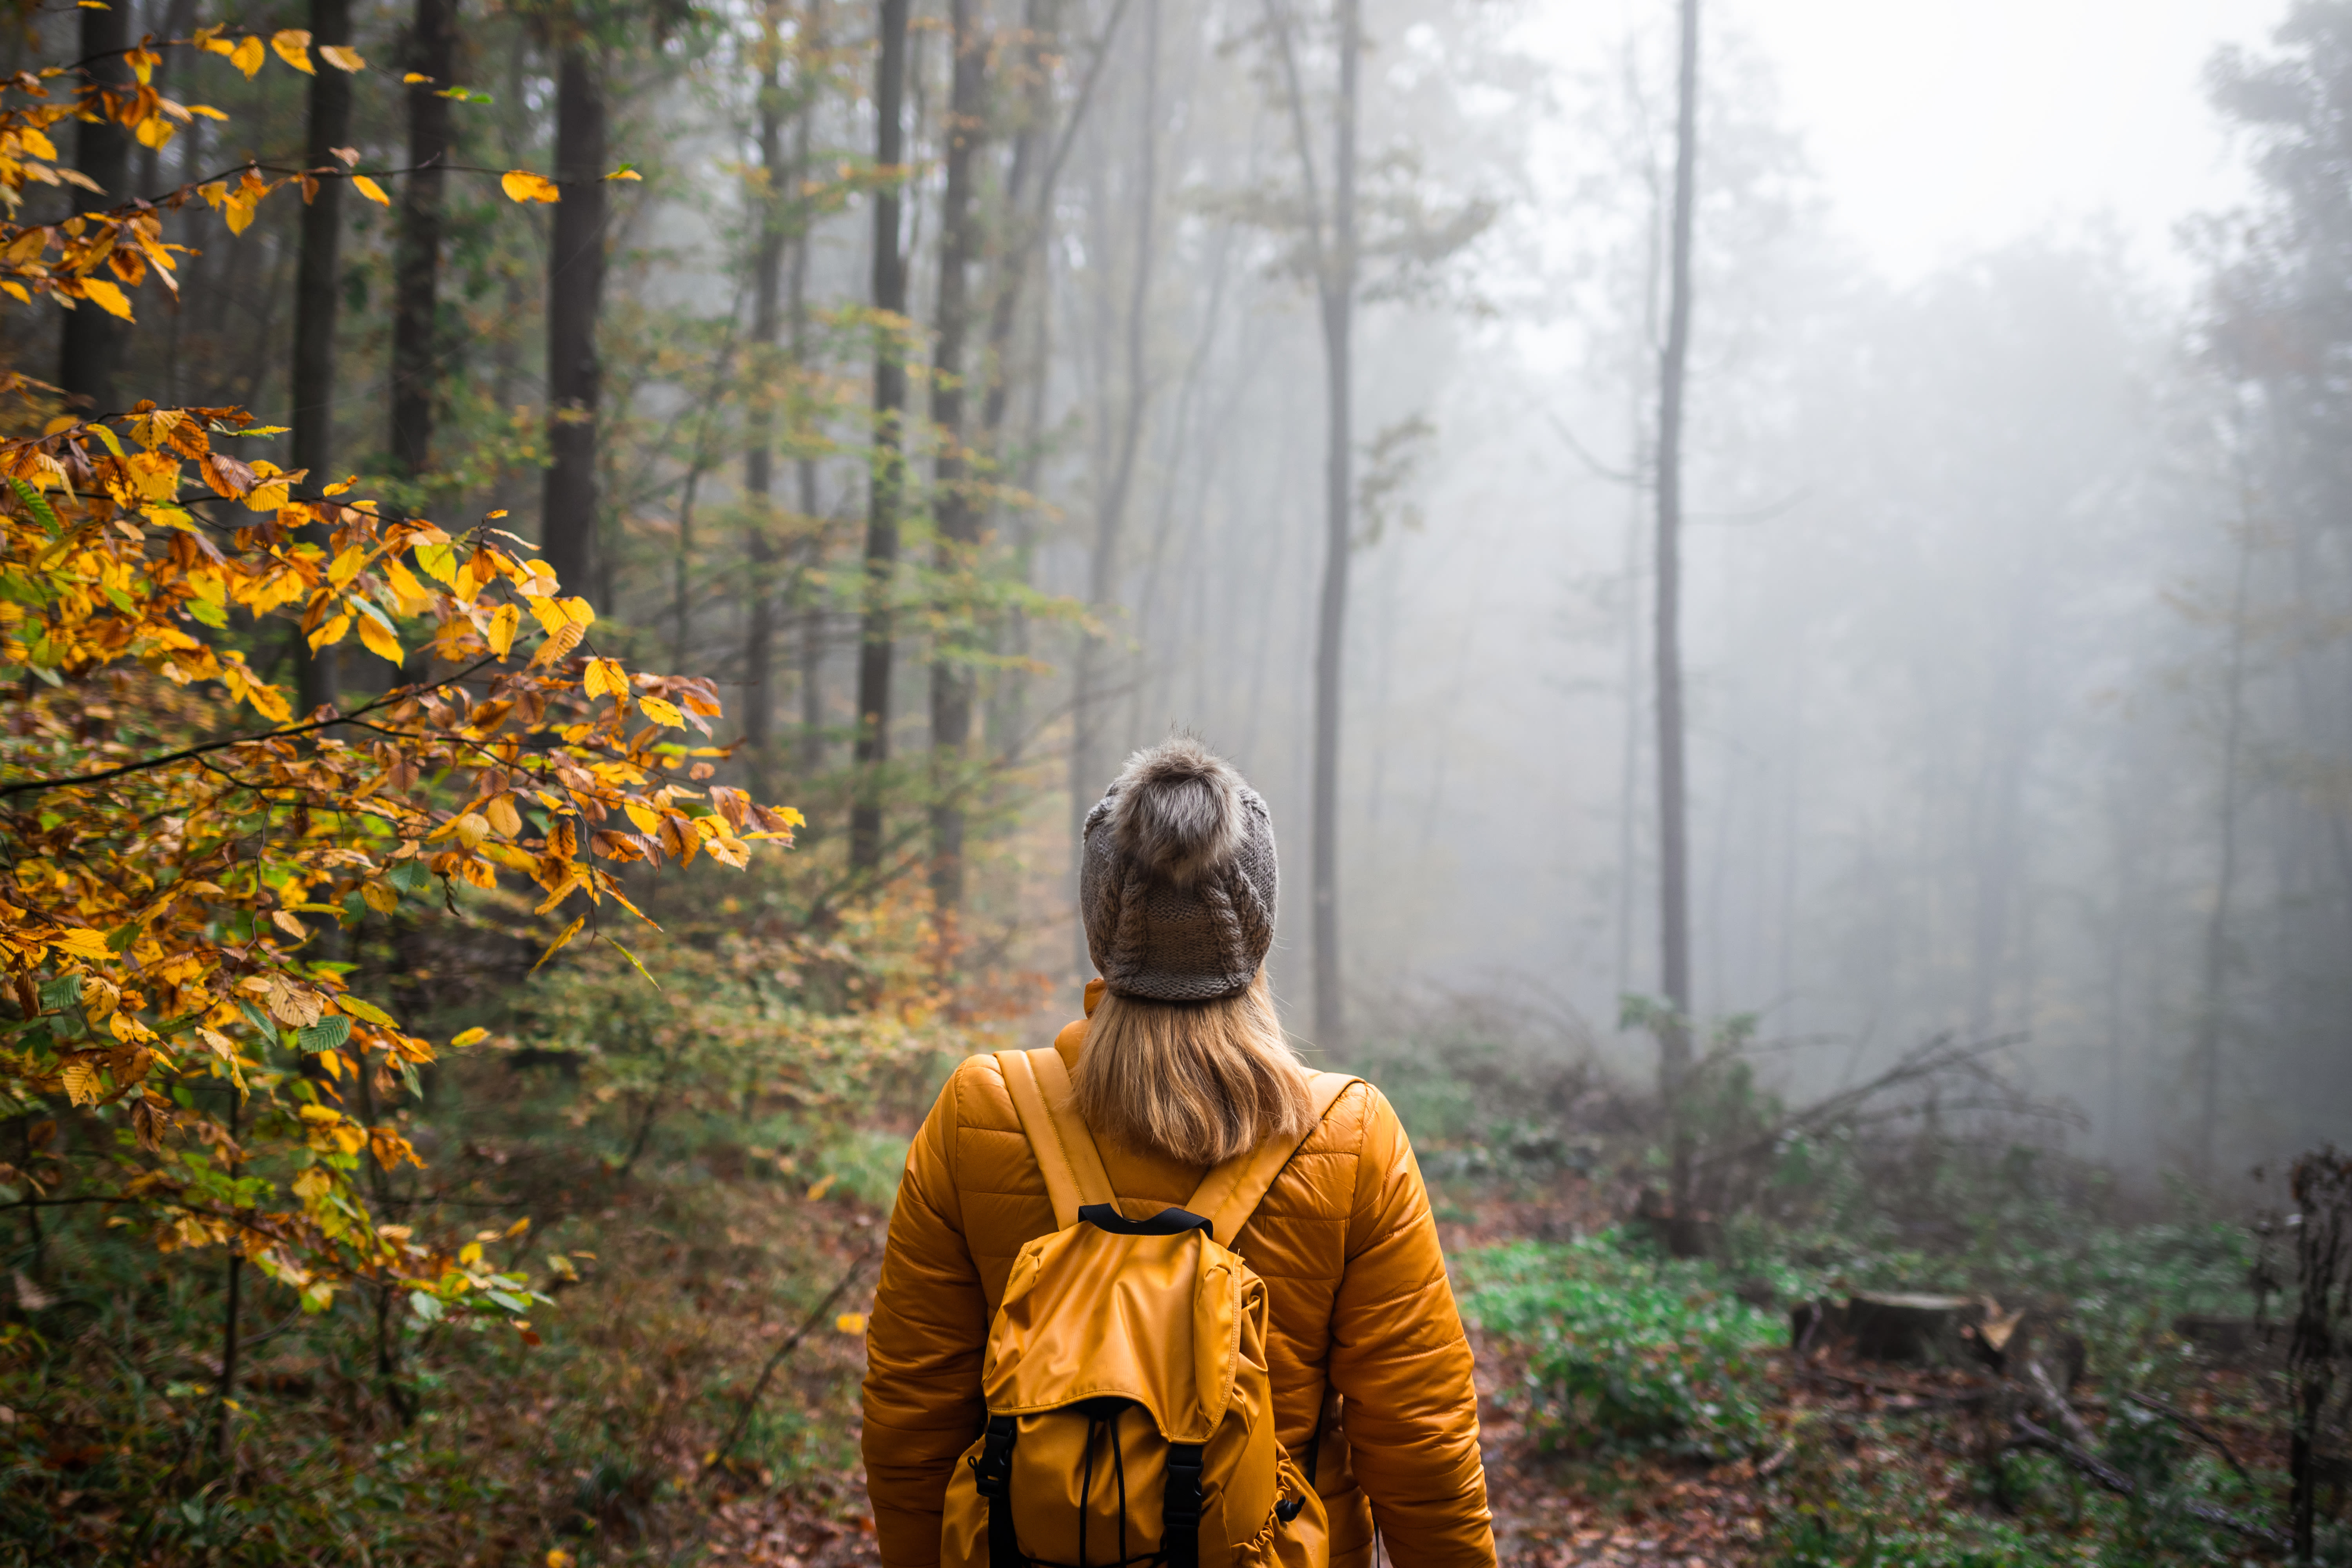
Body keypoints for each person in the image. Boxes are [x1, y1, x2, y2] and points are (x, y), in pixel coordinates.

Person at [861, 735, 1496, 1568]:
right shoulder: (1350, 1133)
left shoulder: (980, 1110)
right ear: (1256, 926)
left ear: (1103, 921)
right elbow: (1420, 1440)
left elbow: (912, 1419)